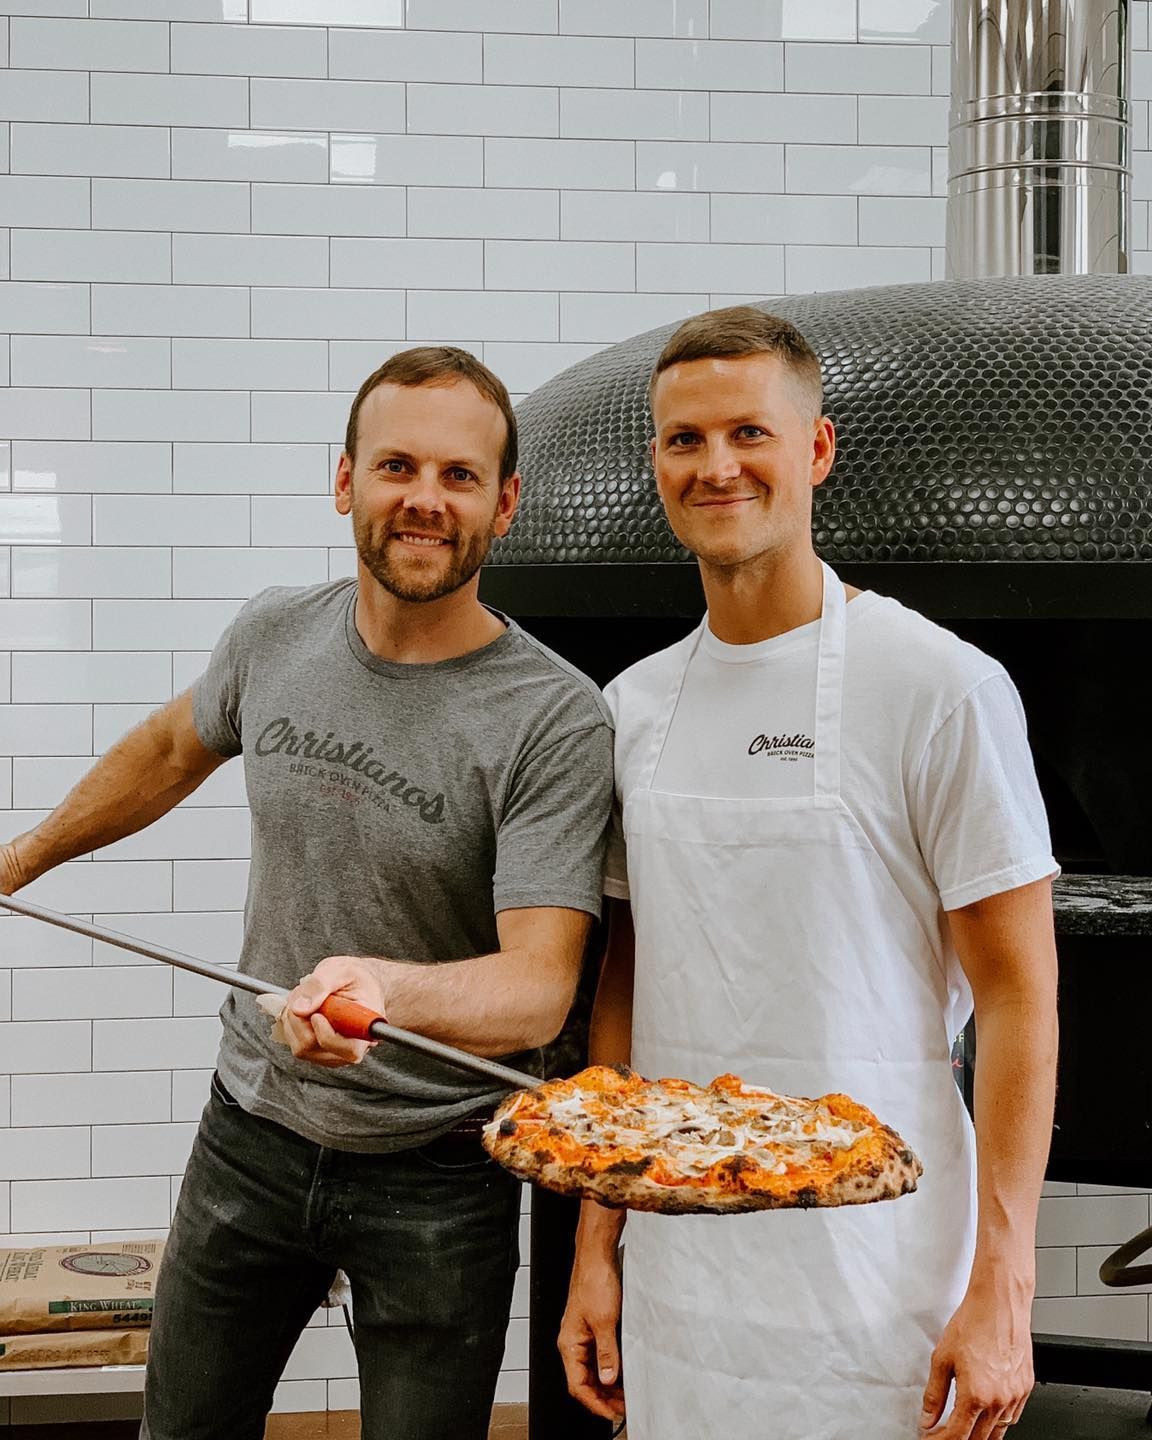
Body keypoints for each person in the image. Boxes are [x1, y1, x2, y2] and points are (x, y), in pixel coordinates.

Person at [0, 347, 615, 1440]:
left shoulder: (553, 718)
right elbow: (164, 749)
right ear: (345, 482)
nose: (425, 499)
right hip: (251, 1134)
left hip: (440, 1172)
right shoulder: (276, 632)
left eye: (461, 476)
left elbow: (537, 991)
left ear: (506, 504)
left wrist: (377, 985)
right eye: (397, 465)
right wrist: (18, 860)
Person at [557, 307, 1060, 1440]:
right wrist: (600, 1244)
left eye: (750, 433)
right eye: (685, 440)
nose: (716, 465)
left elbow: (1023, 999)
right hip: (684, 1271)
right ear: (657, 464)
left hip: (876, 1272)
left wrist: (1005, 1287)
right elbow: (625, 996)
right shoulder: (632, 707)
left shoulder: (939, 686)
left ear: (818, 450)